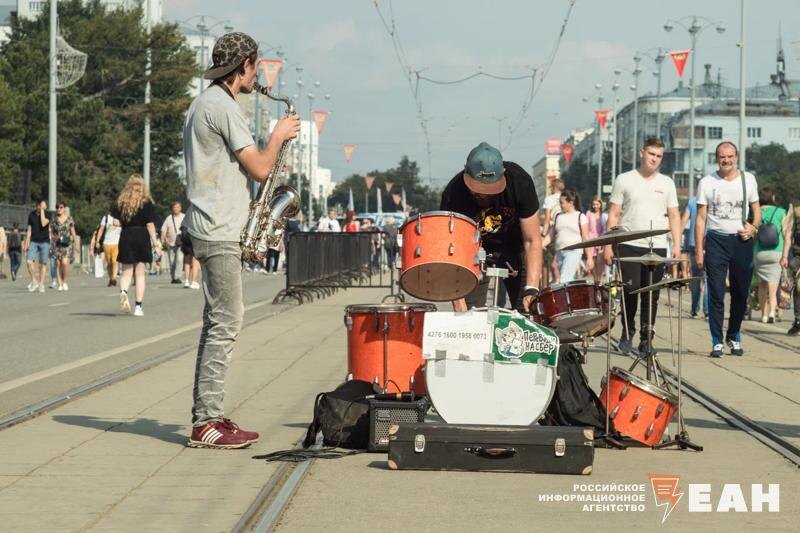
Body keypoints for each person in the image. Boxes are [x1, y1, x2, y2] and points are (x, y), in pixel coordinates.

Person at [182, 31, 300, 449]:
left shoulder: (204, 103)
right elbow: (261, 168)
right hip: (217, 228)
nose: (257, 75)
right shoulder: (222, 106)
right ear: (243, 66)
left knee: (218, 322)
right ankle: (206, 422)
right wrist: (279, 135)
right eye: (255, 66)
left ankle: (208, 415)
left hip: (212, 225)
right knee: (227, 322)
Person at [440, 142, 542, 312]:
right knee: (469, 316)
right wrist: (457, 298)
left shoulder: (519, 182)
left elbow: (532, 240)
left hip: (514, 248)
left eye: (490, 191)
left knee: (527, 311)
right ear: (466, 176)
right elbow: (451, 250)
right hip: (473, 253)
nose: (484, 196)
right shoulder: (453, 194)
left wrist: (532, 287)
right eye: (478, 191)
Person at [604, 137, 682, 356]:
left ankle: (647, 339)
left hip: (656, 246)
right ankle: (627, 332)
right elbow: (614, 213)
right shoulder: (624, 179)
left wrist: (676, 244)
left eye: (658, 156)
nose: (654, 159)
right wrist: (609, 245)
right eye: (651, 154)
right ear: (642, 153)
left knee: (651, 294)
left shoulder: (667, 183)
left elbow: (674, 215)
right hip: (629, 242)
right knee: (630, 289)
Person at [695, 141, 761, 357]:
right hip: (716, 241)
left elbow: (756, 211)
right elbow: (701, 218)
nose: (726, 160)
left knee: (741, 293)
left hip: (741, 242)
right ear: (717, 158)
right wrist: (698, 251)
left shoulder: (748, 179)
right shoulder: (706, 182)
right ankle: (716, 340)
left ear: (737, 157)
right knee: (716, 292)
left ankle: (733, 334)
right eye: (722, 157)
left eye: (730, 156)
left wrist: (753, 227)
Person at [112, 174, 160, 317]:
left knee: (126, 271)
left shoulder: (121, 202)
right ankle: (138, 307)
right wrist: (155, 242)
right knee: (139, 273)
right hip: (141, 236)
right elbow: (150, 224)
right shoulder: (146, 202)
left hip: (126, 235)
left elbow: (115, 222)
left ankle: (123, 291)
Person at [753, 187, 790, 324]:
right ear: (772, 198)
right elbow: (787, 235)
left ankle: (763, 314)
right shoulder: (781, 212)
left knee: (762, 285)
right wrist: (785, 255)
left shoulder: (756, 212)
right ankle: (772, 313)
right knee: (773, 287)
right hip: (776, 252)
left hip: (759, 252)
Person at [544, 188, 593, 283]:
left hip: (574, 252)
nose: (560, 205)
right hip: (559, 252)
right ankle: (571, 297)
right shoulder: (558, 216)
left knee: (564, 279)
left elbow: (585, 238)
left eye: (562, 203)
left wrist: (589, 257)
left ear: (570, 203)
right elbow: (551, 235)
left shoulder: (580, 217)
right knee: (567, 280)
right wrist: (540, 245)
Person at [680, 197, 706, 318]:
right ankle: (708, 311)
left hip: (693, 243)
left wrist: (676, 237)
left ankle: (694, 309)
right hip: (710, 242)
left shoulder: (692, 202)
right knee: (708, 279)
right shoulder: (711, 200)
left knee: (695, 277)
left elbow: (684, 220)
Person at [24, 199, 51, 293]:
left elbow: (43, 223)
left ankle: (41, 284)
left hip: (44, 242)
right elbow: (29, 229)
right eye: (39, 205)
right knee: (28, 261)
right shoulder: (31, 215)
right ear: (37, 205)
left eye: (43, 205)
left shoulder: (48, 214)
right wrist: (27, 241)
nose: (40, 207)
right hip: (33, 241)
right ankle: (34, 281)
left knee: (42, 264)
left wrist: (43, 211)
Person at [541, 178, 565, 284]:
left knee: (548, 260)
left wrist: (544, 233)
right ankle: (560, 279)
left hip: (553, 230)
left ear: (553, 187)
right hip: (565, 230)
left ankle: (552, 281)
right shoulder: (566, 198)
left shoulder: (549, 199)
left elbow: (547, 219)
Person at [49, 202, 77, 291]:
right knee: (57, 264)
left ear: (64, 208)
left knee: (64, 263)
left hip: (66, 244)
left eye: (61, 207)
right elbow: (51, 232)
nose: (59, 209)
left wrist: (76, 243)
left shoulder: (69, 219)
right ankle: (60, 283)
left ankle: (64, 281)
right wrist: (53, 237)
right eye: (57, 207)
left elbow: (73, 232)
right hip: (57, 244)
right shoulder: (54, 220)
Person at [160, 201, 186, 284]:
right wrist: (162, 239)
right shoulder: (169, 218)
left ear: (180, 208)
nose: (176, 209)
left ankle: (177, 277)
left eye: (178, 207)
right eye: (174, 207)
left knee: (179, 259)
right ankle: (173, 276)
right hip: (170, 243)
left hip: (181, 243)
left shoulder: (184, 217)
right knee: (171, 261)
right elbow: (163, 229)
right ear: (172, 208)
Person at [95, 211, 121, 286]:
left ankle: (114, 278)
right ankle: (111, 278)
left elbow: (126, 227)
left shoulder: (121, 217)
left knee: (115, 261)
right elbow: (101, 229)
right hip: (106, 243)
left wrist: (119, 224)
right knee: (109, 262)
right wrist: (97, 241)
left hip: (117, 242)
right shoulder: (106, 217)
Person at [585, 196, 606, 283]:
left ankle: (599, 279)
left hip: (601, 239)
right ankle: (595, 280)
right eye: (593, 204)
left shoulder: (603, 214)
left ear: (600, 204)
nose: (595, 206)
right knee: (592, 260)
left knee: (600, 261)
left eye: (597, 204)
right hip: (591, 239)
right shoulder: (589, 213)